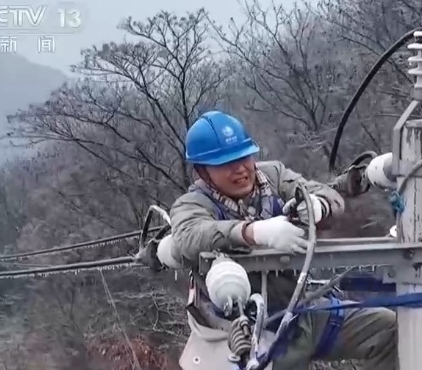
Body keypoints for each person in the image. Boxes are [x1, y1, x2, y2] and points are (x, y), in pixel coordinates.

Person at [167, 110, 398, 370]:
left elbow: (325, 194)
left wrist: (318, 206)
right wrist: (253, 232)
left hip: (304, 312)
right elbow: (188, 236)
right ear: (202, 171)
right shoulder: (193, 204)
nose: (239, 168)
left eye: (243, 157)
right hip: (252, 335)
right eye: (225, 163)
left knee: (388, 330)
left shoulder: (274, 176)